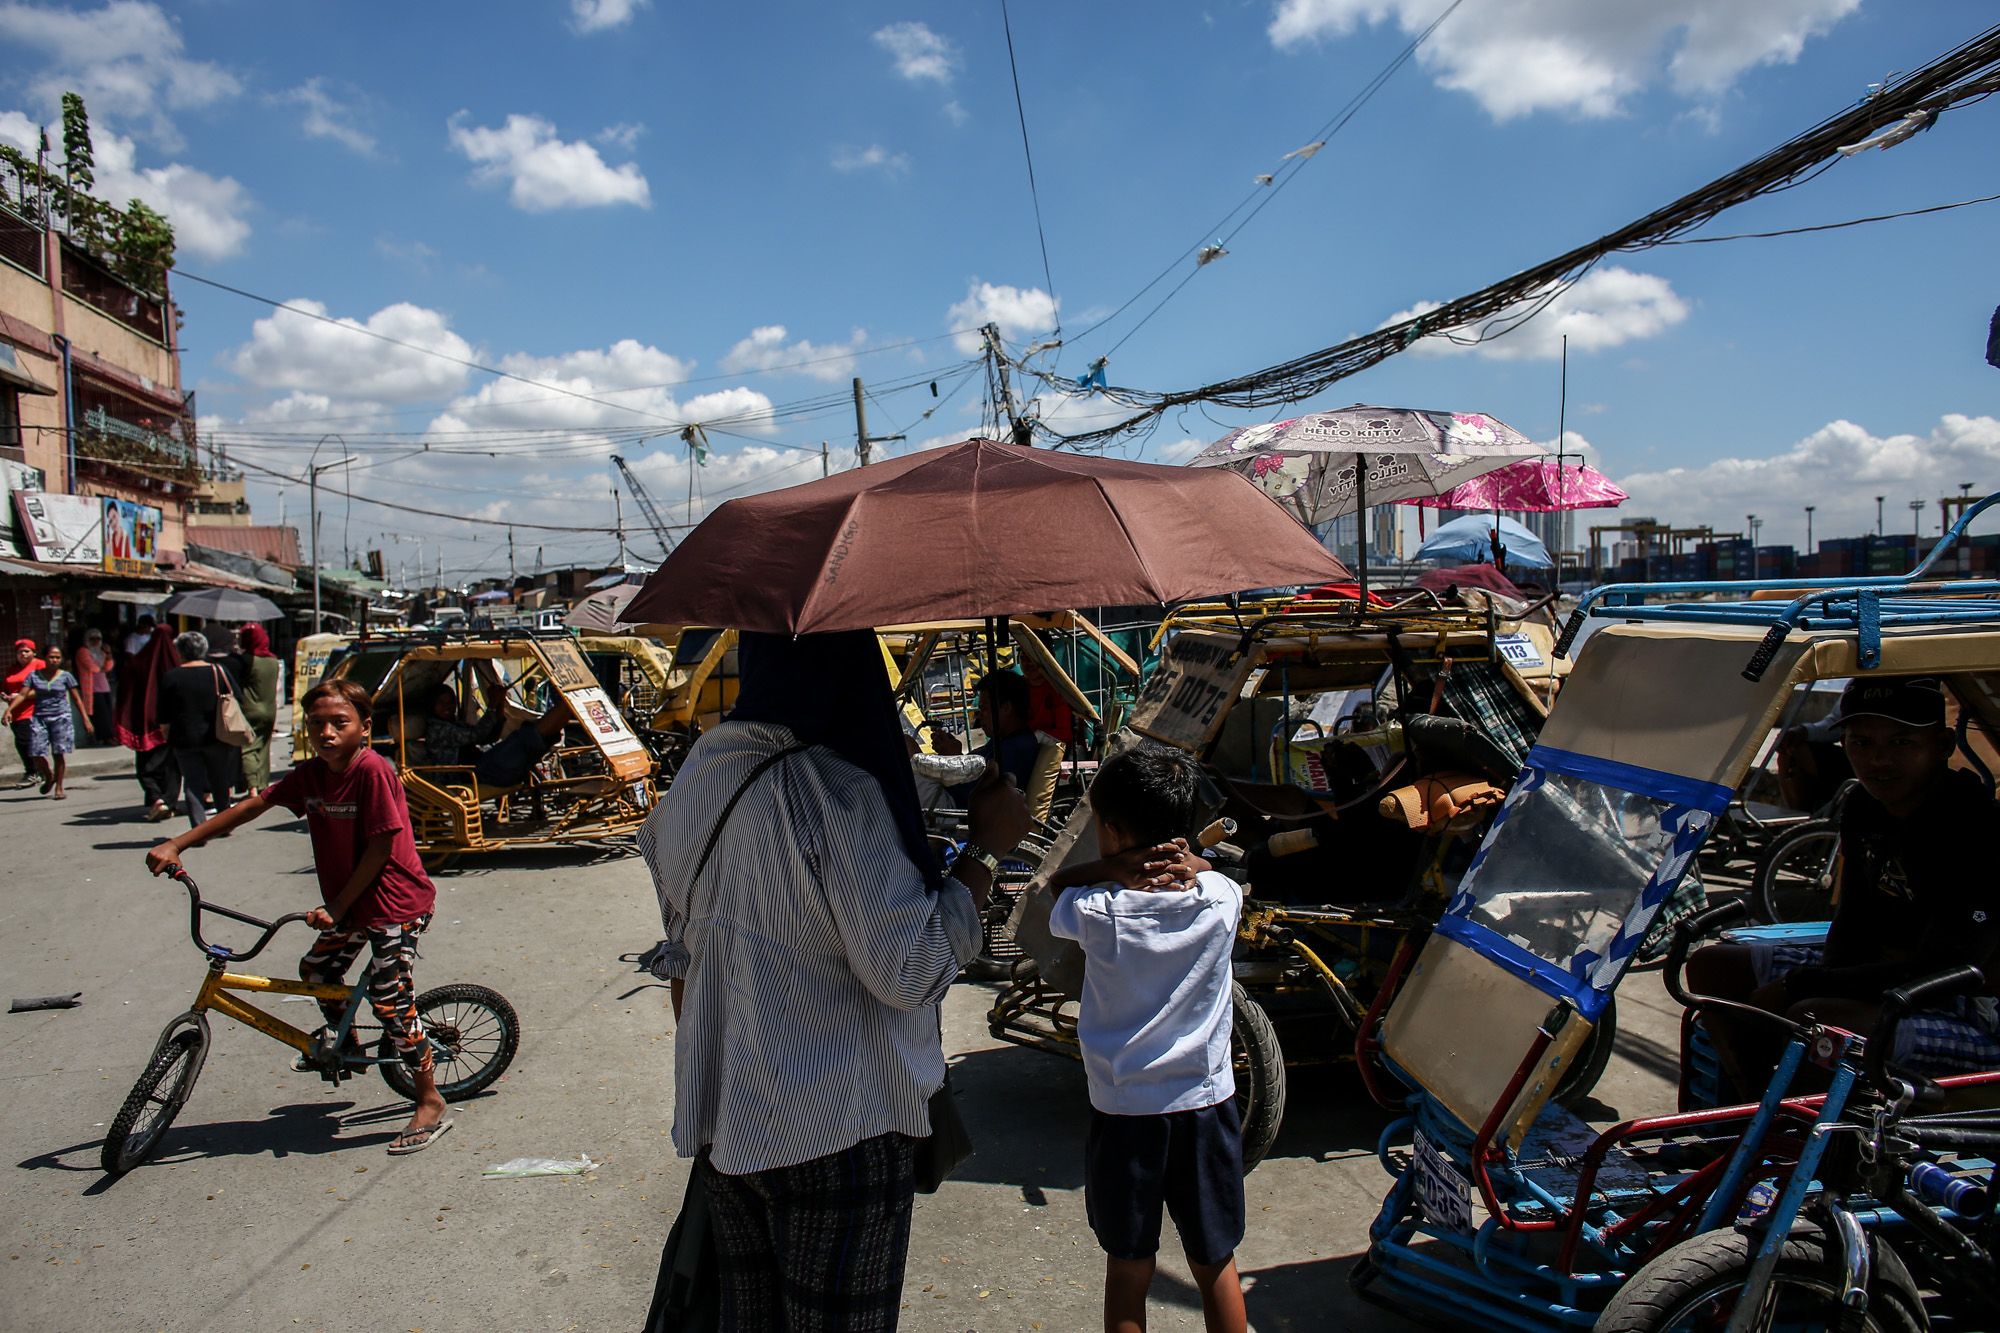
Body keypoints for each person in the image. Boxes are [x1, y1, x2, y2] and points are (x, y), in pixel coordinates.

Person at [638, 630, 1038, 1331]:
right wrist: (983, 851)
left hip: (731, 1126)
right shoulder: (840, 791)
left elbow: (683, 955)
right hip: (840, 1132)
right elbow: (910, 970)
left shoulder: (700, 772)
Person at [145, 678, 451, 1154]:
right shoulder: (312, 774)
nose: (326, 732)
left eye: (339, 723)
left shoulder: (372, 770)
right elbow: (252, 806)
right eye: (316, 724)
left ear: (364, 728)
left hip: (394, 905)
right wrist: (178, 842)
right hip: (350, 903)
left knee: (391, 1003)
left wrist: (335, 907)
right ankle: (344, 1042)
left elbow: (380, 847)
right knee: (317, 969)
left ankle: (429, 1100)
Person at [1690, 676, 2000, 1094]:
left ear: (1943, 746)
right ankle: (1748, 1115)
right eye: (1862, 743)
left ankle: (1801, 1140)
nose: (1878, 761)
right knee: (1712, 965)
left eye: (1901, 743)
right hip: (1887, 975)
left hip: (1969, 1006)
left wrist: (1801, 985)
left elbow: (1950, 965)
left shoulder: (1974, 823)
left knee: (1815, 1018)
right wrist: (1817, 977)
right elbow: (1853, 915)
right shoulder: (1864, 807)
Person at [1047, 745, 1248, 1333]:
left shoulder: (1095, 908)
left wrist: (1109, 870)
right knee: (1216, 1262)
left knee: (1129, 1265)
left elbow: (1054, 887)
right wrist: (1197, 862)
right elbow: (1222, 877)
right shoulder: (1221, 900)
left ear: (1109, 830)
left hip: (1125, 1112)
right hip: (1206, 1106)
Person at [158, 630, 243, 828]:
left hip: (184, 739)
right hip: (217, 736)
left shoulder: (172, 676)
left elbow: (163, 713)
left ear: (180, 651)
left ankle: (199, 828)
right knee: (220, 780)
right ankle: (224, 824)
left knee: (192, 783)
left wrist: (166, 732)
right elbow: (237, 698)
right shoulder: (218, 671)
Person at [939, 669, 1042, 803]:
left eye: (984, 708)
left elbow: (976, 797)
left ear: (1006, 708)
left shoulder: (1015, 748)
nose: (980, 715)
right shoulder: (1003, 740)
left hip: (954, 807)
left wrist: (953, 757)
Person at [115, 623, 182, 821]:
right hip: (172, 723)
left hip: (145, 722)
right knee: (172, 766)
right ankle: (168, 802)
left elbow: (125, 691)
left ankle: (156, 798)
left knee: (147, 764)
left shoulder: (138, 663)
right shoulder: (176, 663)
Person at [9, 644, 88, 799]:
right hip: (39, 718)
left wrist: (86, 719)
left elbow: (77, 699)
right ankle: (48, 775)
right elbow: (23, 695)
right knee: (36, 752)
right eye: (51, 657)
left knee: (58, 753)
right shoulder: (34, 676)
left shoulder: (66, 676)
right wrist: (9, 710)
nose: (54, 660)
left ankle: (59, 787)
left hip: (61, 718)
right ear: (44, 658)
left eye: (58, 657)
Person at [233, 623, 284, 791]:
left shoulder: (246, 660)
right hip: (270, 709)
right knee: (264, 747)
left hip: (250, 709)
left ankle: (252, 786)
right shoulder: (273, 660)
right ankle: (262, 784)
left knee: (248, 747)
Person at [6, 638, 43, 787]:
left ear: (33, 652)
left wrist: (22, 696)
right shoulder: (13, 669)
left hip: (34, 709)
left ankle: (33, 772)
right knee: (21, 742)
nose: (23, 654)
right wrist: (6, 696)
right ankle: (38, 772)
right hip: (16, 711)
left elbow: (45, 688)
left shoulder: (39, 665)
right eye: (20, 652)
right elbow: (7, 687)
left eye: (26, 651)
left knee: (25, 741)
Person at [75, 628, 115, 746]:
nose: (95, 642)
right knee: (100, 714)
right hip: (92, 688)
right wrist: (101, 667)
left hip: (104, 686)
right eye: (92, 639)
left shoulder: (100, 652)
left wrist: (108, 654)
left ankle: (109, 736)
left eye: (98, 639)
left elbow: (108, 667)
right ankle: (103, 737)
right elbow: (93, 668)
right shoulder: (83, 651)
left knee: (107, 713)